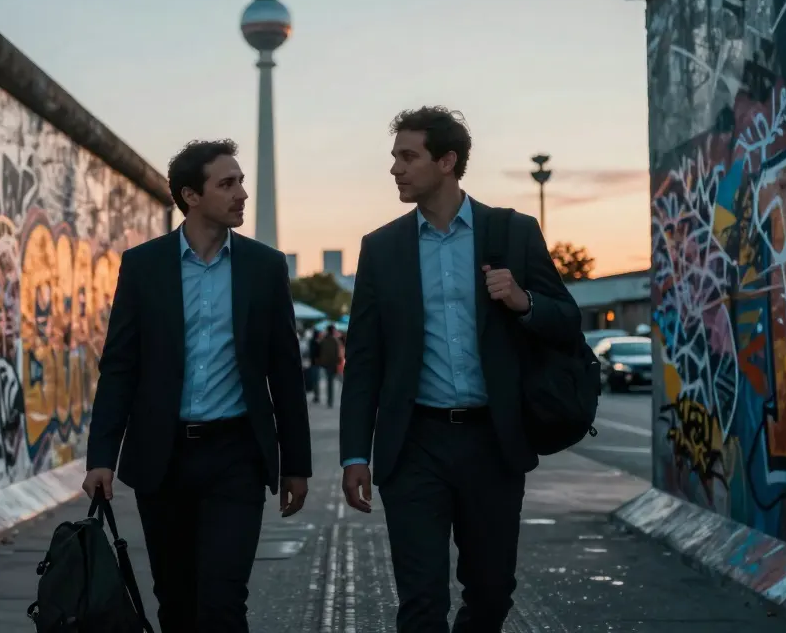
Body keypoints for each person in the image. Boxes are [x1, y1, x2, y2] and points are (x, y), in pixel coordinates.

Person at [339, 106, 581, 632]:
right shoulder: (381, 249)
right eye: (395, 157)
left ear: (447, 161)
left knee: (491, 593)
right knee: (421, 601)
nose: (395, 168)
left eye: (408, 156)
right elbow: (364, 360)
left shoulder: (513, 232)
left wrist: (523, 301)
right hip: (414, 445)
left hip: (493, 442)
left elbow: (567, 320)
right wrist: (355, 453)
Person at [83, 139, 312, 633]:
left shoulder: (264, 267)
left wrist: (296, 465)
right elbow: (120, 367)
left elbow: (285, 371)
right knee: (176, 603)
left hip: (236, 456)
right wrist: (101, 456)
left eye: (241, 182)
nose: (241, 194)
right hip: (162, 458)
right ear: (190, 195)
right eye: (227, 184)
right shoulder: (143, 266)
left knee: (223, 603)